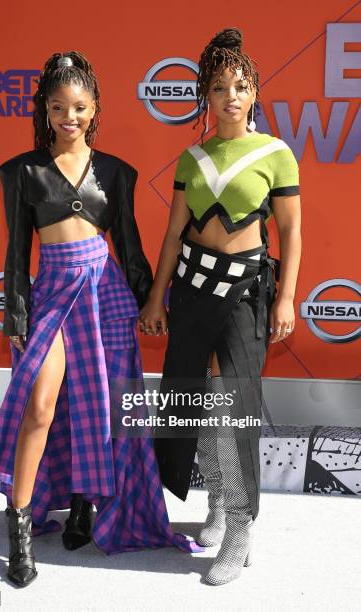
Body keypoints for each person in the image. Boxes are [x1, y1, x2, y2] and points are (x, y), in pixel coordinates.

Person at [0, 51, 202, 589]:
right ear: (45, 110)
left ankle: (84, 506)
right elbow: (16, 253)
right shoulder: (22, 171)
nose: (69, 117)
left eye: (78, 107)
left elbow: (128, 245)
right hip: (53, 292)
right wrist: (16, 310)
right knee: (41, 406)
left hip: (104, 291)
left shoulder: (115, 172)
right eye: (58, 107)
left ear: (94, 107)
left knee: (99, 408)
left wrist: (151, 301)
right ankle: (21, 530)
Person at [140, 27, 301, 586]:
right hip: (190, 290)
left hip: (244, 294)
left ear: (254, 92)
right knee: (194, 404)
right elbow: (170, 235)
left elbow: (291, 233)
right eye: (218, 87)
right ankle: (216, 505)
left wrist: (286, 298)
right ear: (205, 98)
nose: (229, 96)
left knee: (231, 407)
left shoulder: (277, 155)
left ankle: (240, 526)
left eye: (240, 85)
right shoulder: (191, 158)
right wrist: (158, 295)